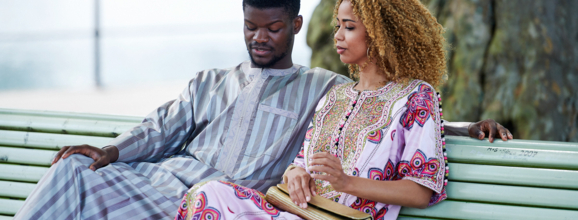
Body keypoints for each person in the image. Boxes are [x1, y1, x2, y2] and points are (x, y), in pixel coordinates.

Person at [14, 0, 511, 219]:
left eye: (271, 28)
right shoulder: (212, 81)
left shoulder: (323, 87)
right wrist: (110, 151)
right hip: (161, 185)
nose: (258, 37)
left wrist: (468, 127)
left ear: (295, 26)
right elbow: (160, 127)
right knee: (72, 170)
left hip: (222, 201)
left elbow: (394, 116)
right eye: (250, 26)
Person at [174, 0, 499, 219]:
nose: (337, 36)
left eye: (349, 27)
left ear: (380, 33)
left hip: (348, 218)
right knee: (209, 193)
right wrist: (296, 173)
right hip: (298, 211)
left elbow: (419, 191)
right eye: (338, 26)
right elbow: (300, 163)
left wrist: (347, 183)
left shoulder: (416, 96)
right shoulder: (336, 96)